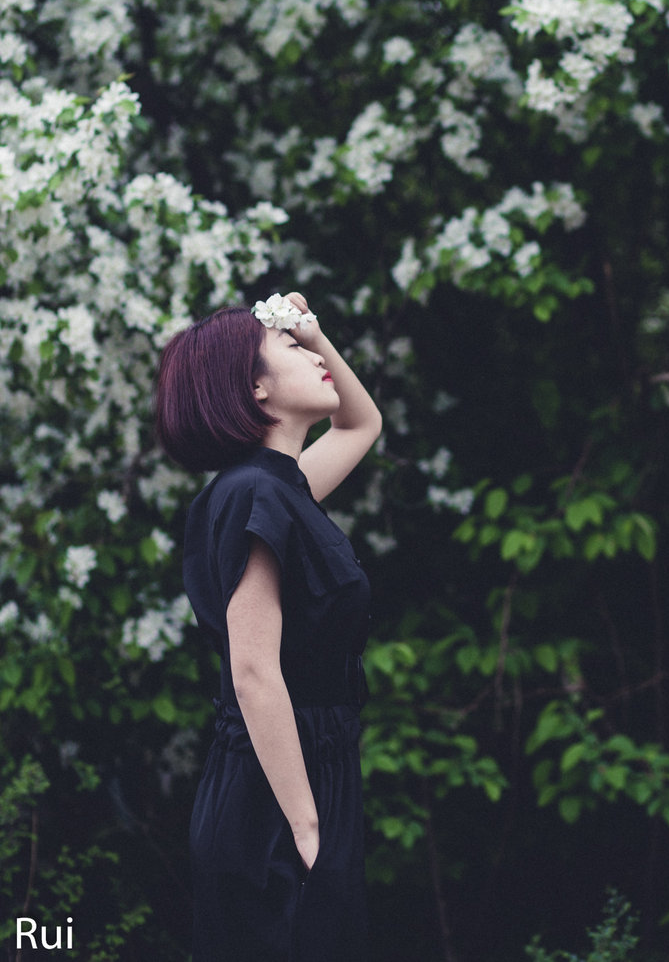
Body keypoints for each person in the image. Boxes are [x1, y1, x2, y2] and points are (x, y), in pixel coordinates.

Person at [155, 291, 382, 962]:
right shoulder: (253, 493)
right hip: (273, 797)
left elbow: (360, 425)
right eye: (293, 349)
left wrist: (312, 330)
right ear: (255, 387)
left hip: (310, 769)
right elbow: (254, 673)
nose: (315, 355)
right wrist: (306, 826)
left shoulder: (282, 485)